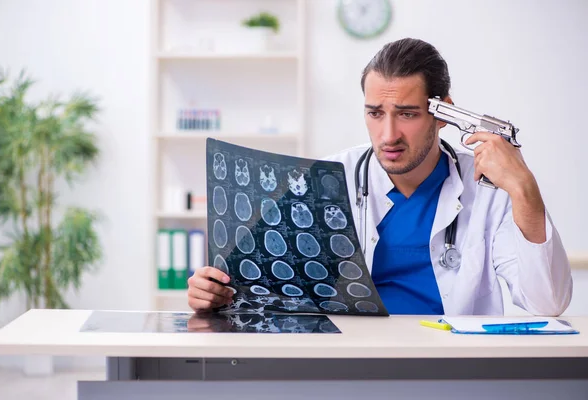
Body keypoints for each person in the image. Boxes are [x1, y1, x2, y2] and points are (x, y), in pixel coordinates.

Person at [188, 38, 572, 316]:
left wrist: (523, 187)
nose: (388, 135)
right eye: (375, 113)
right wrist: (213, 292)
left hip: (455, 367)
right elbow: (261, 284)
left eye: (407, 114)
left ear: (443, 113)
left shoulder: (488, 186)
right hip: (355, 363)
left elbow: (547, 303)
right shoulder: (326, 178)